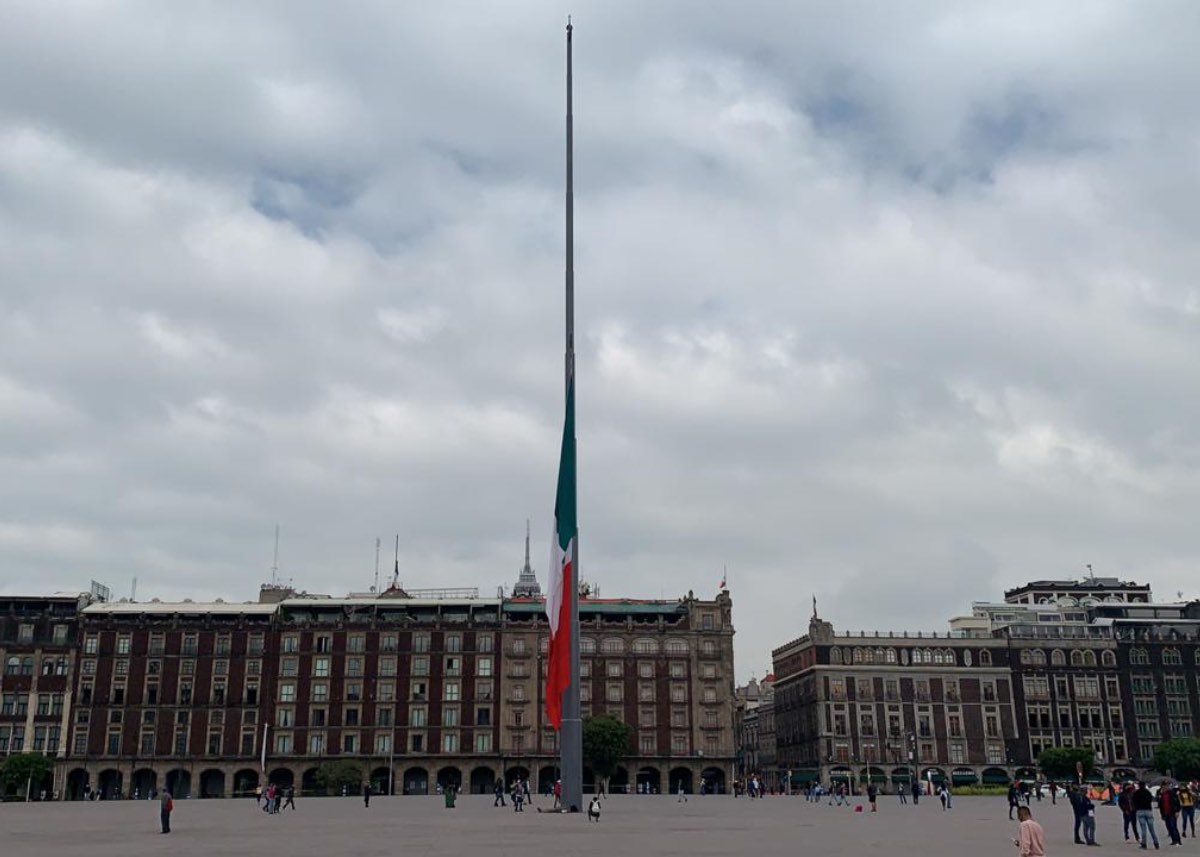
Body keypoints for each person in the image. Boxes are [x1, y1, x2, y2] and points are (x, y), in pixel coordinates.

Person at [1133, 782, 1161, 850]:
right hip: (1148, 810)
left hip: (1140, 810)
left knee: (1143, 829)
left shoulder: (1136, 793)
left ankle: (1144, 844)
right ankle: (1156, 843)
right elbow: (1150, 799)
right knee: (1152, 829)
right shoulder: (1147, 792)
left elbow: (1133, 801)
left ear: (1139, 786)